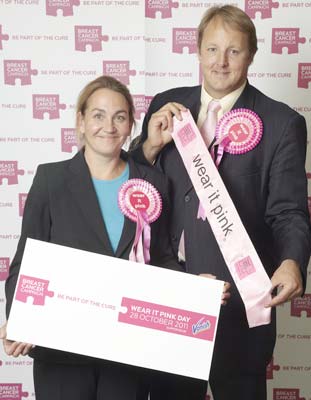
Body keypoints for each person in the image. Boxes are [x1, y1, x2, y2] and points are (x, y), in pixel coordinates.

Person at [131, 5, 311, 400]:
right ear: (197, 51)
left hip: (238, 302)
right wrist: (147, 146)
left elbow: (289, 211)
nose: (221, 61)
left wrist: (292, 260)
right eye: (212, 49)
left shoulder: (282, 123)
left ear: (251, 55)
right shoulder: (166, 105)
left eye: (234, 50)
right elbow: (135, 184)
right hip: (170, 292)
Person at [0, 75, 187, 400]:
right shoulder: (50, 179)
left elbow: (163, 258)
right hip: (61, 353)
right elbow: (25, 263)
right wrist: (22, 317)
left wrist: (196, 294)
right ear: (81, 122)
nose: (109, 126)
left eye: (120, 116)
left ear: (131, 125)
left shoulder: (153, 182)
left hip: (127, 352)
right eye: (98, 115)